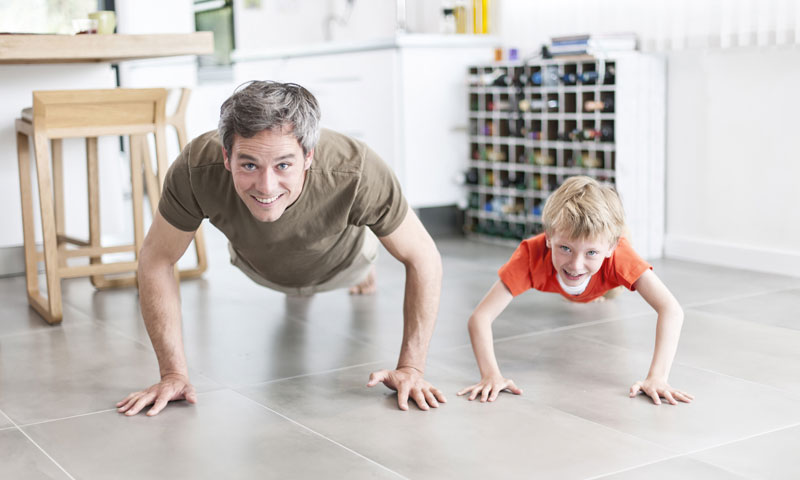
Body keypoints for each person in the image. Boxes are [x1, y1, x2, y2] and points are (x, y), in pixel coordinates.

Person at [116, 81, 446, 416]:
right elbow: (156, 258)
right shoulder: (196, 168)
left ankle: (363, 253)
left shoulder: (356, 170)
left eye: (283, 165)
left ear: (308, 156)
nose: (266, 185)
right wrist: (173, 374)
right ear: (226, 156)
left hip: (347, 262)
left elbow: (423, 257)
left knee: (369, 255)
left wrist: (412, 369)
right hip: (260, 267)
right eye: (249, 165)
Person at [457, 176, 693, 406]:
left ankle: (608, 249)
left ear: (611, 247)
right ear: (548, 238)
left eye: (590, 252)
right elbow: (480, 318)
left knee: (609, 289)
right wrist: (490, 375)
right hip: (572, 269)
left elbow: (671, 309)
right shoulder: (531, 255)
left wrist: (658, 377)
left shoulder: (619, 256)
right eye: (565, 248)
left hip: (607, 277)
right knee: (575, 277)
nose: (576, 263)